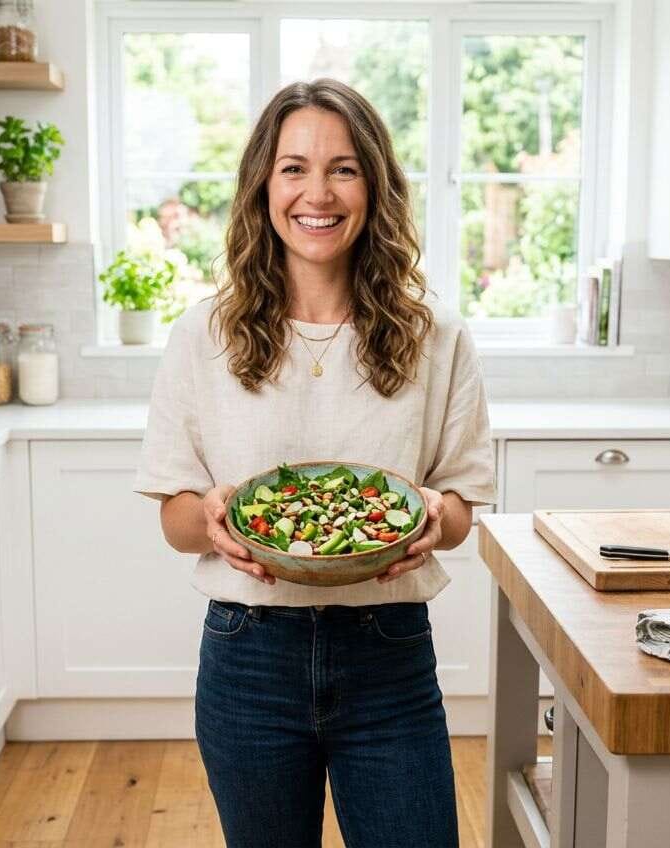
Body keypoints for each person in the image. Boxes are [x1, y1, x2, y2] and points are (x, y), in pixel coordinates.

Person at [134, 78, 495, 848]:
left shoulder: (437, 337)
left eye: (343, 168)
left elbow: (461, 505)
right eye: (294, 167)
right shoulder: (204, 336)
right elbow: (175, 517)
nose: (317, 193)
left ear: (374, 185)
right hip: (248, 656)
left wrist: (437, 520)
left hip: (389, 654)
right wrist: (210, 521)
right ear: (264, 184)